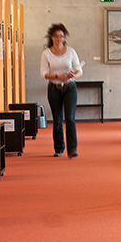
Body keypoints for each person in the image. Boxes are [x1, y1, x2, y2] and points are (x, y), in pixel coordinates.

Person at [40, 23, 83, 158]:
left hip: (70, 88)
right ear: (51, 37)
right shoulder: (46, 53)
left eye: (61, 36)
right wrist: (59, 76)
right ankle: (59, 148)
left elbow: (79, 70)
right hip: (54, 88)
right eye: (56, 36)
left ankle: (72, 149)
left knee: (70, 118)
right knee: (57, 119)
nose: (59, 38)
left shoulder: (71, 51)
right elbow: (43, 73)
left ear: (64, 38)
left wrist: (73, 75)